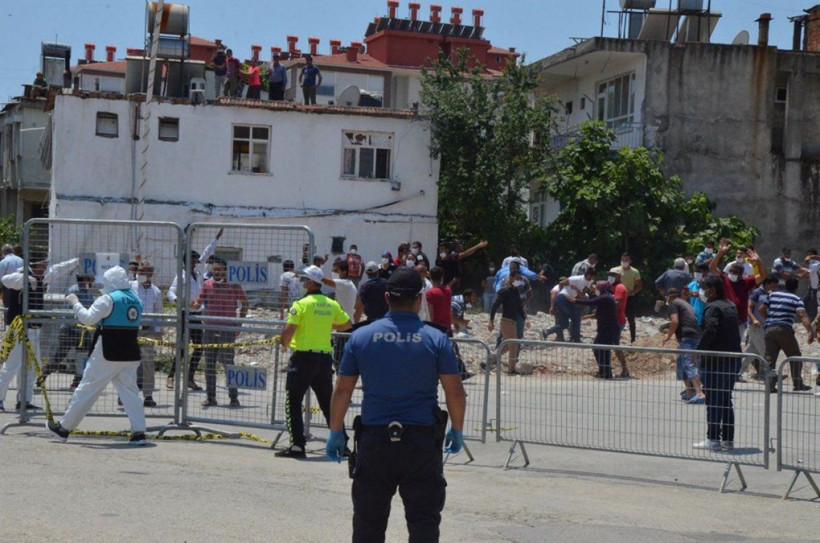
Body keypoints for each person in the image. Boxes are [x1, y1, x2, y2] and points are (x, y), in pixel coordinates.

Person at [326, 267, 466, 542]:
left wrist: (335, 431)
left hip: (375, 441)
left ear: (387, 297)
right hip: (421, 442)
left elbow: (343, 389)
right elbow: (456, 392)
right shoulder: (436, 338)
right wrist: (457, 429)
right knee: (424, 523)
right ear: (420, 299)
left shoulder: (362, 336)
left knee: (368, 524)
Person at [46, 266, 146, 445]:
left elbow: (87, 319)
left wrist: (75, 302)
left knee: (86, 389)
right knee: (131, 393)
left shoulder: (108, 299)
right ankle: (139, 433)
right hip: (130, 352)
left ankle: (64, 428)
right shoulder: (136, 299)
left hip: (107, 351)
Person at [276, 265, 351, 458]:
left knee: (293, 402)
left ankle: (297, 446)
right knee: (328, 404)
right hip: (324, 360)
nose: (301, 283)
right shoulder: (330, 303)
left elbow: (288, 331)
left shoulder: (301, 304)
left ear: (310, 283)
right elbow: (347, 324)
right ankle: (342, 444)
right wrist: (328, 324)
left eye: (303, 280)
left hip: (303, 359)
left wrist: (283, 342)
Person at [167, 230, 221, 390]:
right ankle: (171, 375)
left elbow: (205, 255)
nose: (198, 263)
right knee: (182, 347)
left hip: (197, 315)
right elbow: (170, 292)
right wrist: (179, 300)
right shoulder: (181, 275)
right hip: (185, 314)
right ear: (187, 261)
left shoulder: (198, 275)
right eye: (194, 260)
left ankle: (189, 378)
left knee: (199, 347)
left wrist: (215, 240)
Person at [693, 276, 742, 452]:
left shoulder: (712, 308)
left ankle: (713, 438)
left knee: (714, 400)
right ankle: (727, 440)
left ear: (712, 290)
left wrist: (698, 350)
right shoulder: (729, 305)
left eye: (703, 287)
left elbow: (711, 329)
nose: (701, 291)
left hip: (716, 361)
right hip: (732, 359)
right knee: (725, 400)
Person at [193, 258, 249, 407]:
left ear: (225, 270)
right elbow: (198, 302)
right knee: (209, 365)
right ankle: (211, 398)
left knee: (228, 364)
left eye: (219, 269)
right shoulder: (207, 284)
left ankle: (234, 398)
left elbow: (245, 303)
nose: (217, 272)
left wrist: (239, 324)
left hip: (227, 329)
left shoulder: (234, 284)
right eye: (214, 269)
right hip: (210, 329)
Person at [0, 258, 48, 412]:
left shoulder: (41, 278)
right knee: (12, 366)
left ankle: (24, 401)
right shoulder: (21, 275)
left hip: (33, 330)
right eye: (43, 264)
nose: (45, 266)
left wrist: (75, 262)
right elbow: (5, 279)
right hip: (18, 328)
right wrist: (27, 278)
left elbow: (58, 269)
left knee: (32, 367)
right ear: (35, 265)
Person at [40, 274, 97, 390]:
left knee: (85, 356)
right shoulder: (74, 290)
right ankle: (42, 376)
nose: (93, 281)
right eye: (91, 278)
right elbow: (70, 311)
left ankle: (77, 381)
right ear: (85, 279)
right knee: (59, 356)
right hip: (70, 330)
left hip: (83, 330)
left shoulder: (87, 291)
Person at [759, 277, 815, 393]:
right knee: (795, 356)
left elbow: (761, 309)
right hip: (784, 329)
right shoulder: (796, 299)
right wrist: (810, 331)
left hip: (769, 329)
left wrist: (769, 320)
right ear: (796, 287)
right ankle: (798, 383)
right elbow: (802, 314)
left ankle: (770, 386)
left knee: (770, 358)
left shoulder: (772, 295)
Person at [662, 288, 705, 403]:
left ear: (669, 297)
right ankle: (689, 392)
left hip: (688, 337)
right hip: (694, 336)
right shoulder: (686, 304)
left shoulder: (674, 304)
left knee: (689, 363)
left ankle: (699, 393)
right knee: (681, 364)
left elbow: (674, 321)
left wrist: (668, 336)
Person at [130, 261, 162, 407]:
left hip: (148, 330)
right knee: (129, 363)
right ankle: (127, 394)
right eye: (139, 271)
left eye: (143, 272)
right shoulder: (130, 287)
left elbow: (158, 313)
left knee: (148, 362)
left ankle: (148, 394)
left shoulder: (156, 292)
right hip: (131, 329)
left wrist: (158, 331)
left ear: (150, 274)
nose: (140, 274)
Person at [573, 281, 620, 379]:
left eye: (597, 288)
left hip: (607, 329)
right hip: (608, 328)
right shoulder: (607, 298)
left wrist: (574, 300)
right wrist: (589, 316)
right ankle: (606, 372)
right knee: (605, 350)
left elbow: (590, 302)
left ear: (601, 288)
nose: (595, 289)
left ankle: (604, 370)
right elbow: (600, 314)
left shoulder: (604, 297)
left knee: (596, 348)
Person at [488, 269, 527, 374]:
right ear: (511, 277)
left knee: (505, 346)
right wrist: (491, 320)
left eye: (520, 279)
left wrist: (526, 318)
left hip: (513, 323)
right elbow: (495, 305)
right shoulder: (505, 290)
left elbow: (519, 307)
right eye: (517, 278)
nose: (518, 280)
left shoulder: (516, 292)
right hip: (506, 321)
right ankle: (511, 370)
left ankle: (488, 361)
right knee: (514, 345)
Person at [542, 268, 596, 343]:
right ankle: (575, 339)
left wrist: (576, 289)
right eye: (592, 277)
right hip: (563, 299)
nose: (592, 279)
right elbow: (561, 283)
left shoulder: (587, 283)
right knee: (576, 318)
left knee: (564, 324)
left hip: (566, 300)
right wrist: (563, 294)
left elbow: (581, 295)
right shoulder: (575, 278)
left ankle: (547, 331)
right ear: (589, 275)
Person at [746, 276, 778, 380]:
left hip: (763, 326)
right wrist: (754, 319)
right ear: (768, 283)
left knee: (750, 353)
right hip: (755, 326)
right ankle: (770, 374)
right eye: (773, 285)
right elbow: (749, 307)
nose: (774, 288)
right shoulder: (757, 293)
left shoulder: (767, 294)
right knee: (765, 350)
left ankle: (737, 373)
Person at [614, 252, 642, 343]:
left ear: (630, 261)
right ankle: (614, 337)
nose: (624, 262)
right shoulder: (615, 270)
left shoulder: (635, 272)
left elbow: (639, 286)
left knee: (631, 319)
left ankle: (633, 339)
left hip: (629, 297)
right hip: (617, 298)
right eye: (622, 260)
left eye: (626, 260)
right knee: (615, 317)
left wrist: (631, 292)